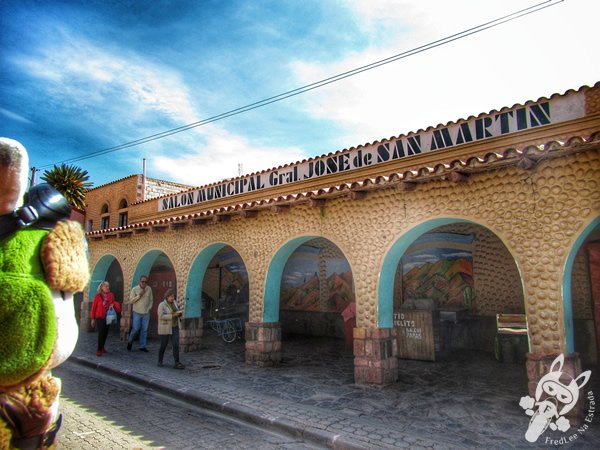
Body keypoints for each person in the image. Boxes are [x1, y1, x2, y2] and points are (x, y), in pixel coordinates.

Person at [90, 281, 121, 356]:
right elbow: (93, 308)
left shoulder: (111, 295)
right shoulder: (97, 296)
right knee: (101, 333)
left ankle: (102, 347)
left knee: (106, 332)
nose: (107, 287)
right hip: (100, 317)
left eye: (108, 286)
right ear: (101, 287)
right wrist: (92, 318)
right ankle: (99, 349)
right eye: (106, 286)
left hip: (108, 316)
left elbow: (113, 302)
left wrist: (113, 304)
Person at [157, 289, 184, 369]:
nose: (173, 298)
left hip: (175, 326)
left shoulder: (175, 303)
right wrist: (172, 316)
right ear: (167, 297)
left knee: (175, 344)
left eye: (173, 296)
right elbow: (161, 316)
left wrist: (179, 313)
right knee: (163, 344)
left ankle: (177, 362)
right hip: (165, 327)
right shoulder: (162, 305)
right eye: (171, 297)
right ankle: (160, 360)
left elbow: (177, 310)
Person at [126, 275, 153, 352]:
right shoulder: (134, 289)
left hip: (146, 312)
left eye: (145, 282)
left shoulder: (149, 289)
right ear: (140, 281)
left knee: (144, 330)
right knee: (136, 328)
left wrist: (149, 308)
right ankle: (130, 341)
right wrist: (139, 295)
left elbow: (151, 300)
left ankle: (142, 346)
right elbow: (131, 301)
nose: (144, 283)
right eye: (142, 281)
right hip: (137, 312)